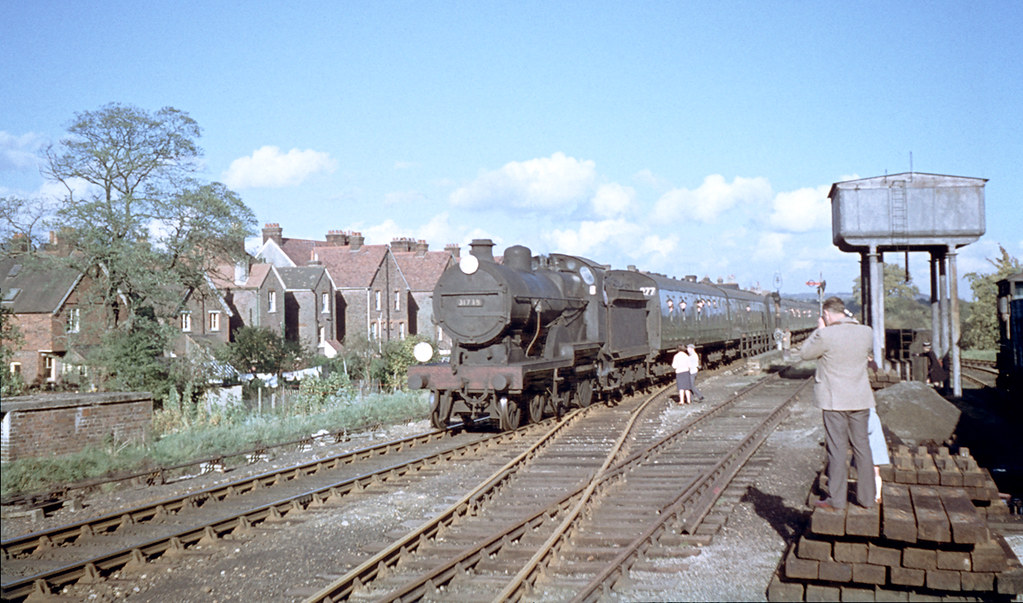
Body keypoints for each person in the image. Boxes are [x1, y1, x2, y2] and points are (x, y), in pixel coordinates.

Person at [799, 296, 876, 509]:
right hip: (860, 399)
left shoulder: (826, 335)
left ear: (826, 314)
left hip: (835, 402)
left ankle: (836, 499)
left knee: (837, 450)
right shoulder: (866, 332)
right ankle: (868, 498)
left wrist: (819, 330)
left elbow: (804, 353)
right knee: (863, 447)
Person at [867, 407, 889, 504]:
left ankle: (876, 495)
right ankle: (877, 495)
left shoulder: (870, 415)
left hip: (873, 447)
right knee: (876, 472)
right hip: (876, 447)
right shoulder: (874, 415)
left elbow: (868, 429)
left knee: (873, 472)